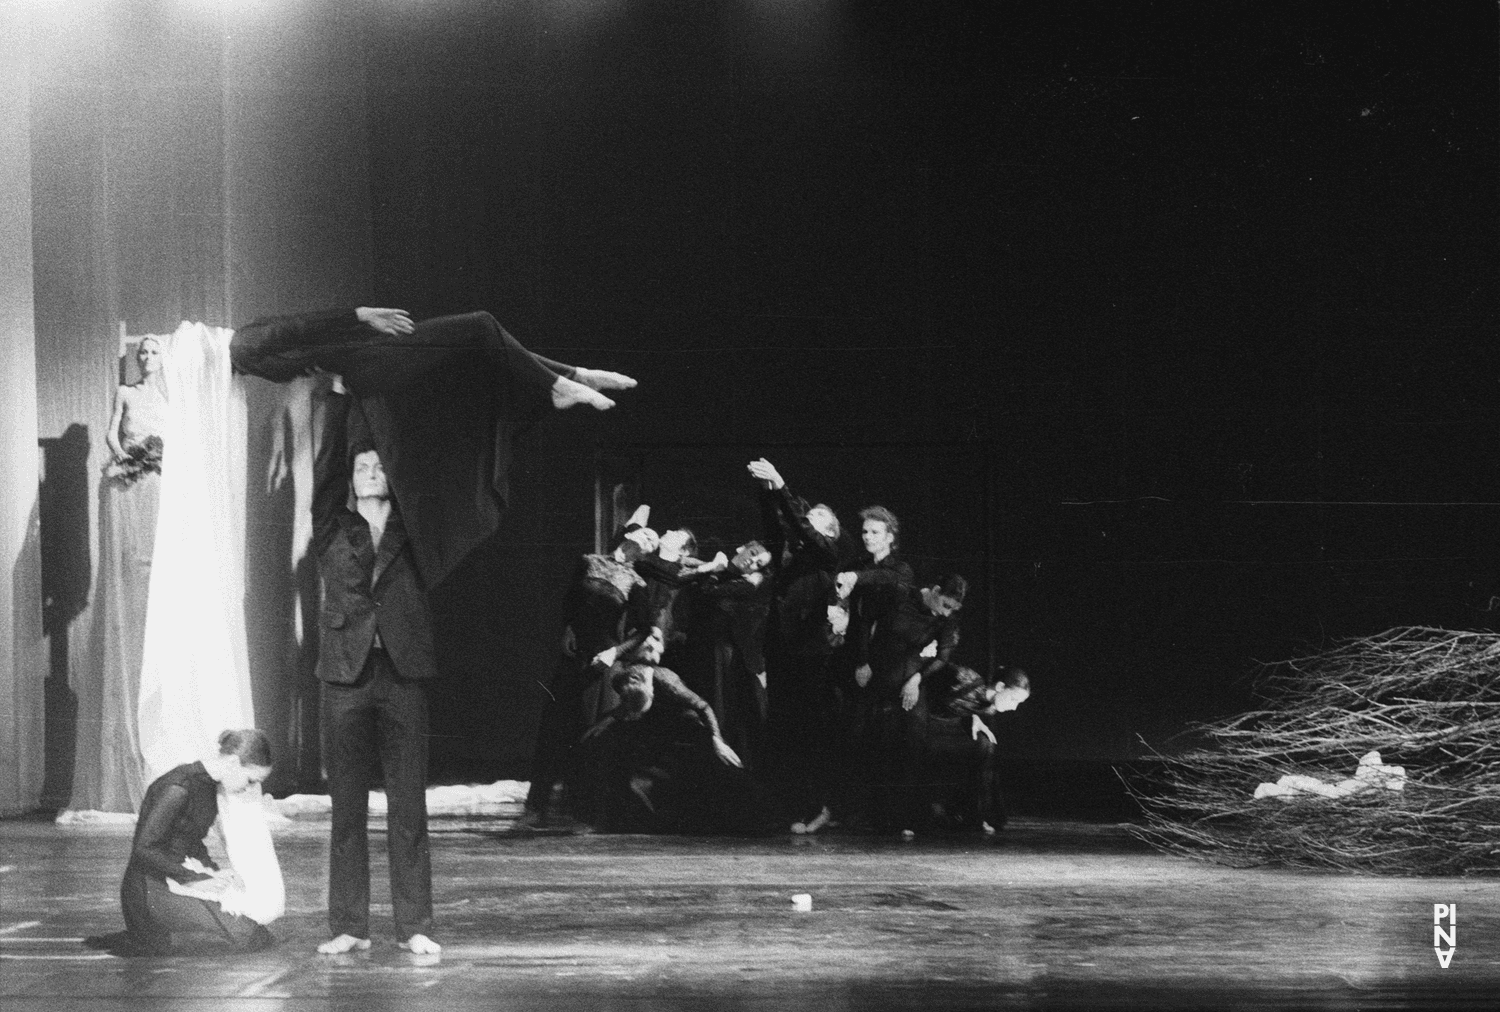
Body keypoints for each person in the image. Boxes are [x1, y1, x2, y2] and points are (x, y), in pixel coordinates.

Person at [231, 306, 635, 589]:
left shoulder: (248, 346)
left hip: (365, 357)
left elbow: (296, 330)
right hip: (364, 366)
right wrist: (359, 315)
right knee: (479, 326)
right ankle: (558, 384)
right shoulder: (240, 348)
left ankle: (566, 377)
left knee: (475, 347)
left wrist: (359, 321)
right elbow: (288, 332)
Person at [310, 388, 444, 956]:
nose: (369, 471)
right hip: (344, 674)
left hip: (403, 673)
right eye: (360, 466)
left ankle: (413, 924)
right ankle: (349, 925)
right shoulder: (332, 525)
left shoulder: (417, 530)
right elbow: (323, 470)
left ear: (392, 474)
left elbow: (423, 470)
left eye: (377, 464)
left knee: (408, 805)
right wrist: (340, 403)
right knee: (347, 808)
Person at [85, 729, 278, 957]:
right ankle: (151, 933)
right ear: (234, 762)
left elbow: (192, 841)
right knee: (245, 939)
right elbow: (144, 850)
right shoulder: (177, 787)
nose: (249, 788)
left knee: (255, 935)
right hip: (149, 889)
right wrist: (194, 879)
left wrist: (213, 873)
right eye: (250, 780)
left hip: (175, 879)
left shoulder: (208, 788)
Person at [521, 526, 657, 828]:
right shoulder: (589, 561)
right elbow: (569, 599)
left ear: (648, 552)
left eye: (653, 541)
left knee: (587, 730)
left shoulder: (636, 582)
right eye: (646, 533)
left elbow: (645, 629)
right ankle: (536, 807)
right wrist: (568, 627)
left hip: (600, 659)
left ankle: (583, 811)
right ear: (630, 535)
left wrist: (615, 653)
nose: (648, 538)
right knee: (553, 726)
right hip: (574, 652)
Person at [584, 631, 776, 835]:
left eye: (655, 643)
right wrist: (603, 724)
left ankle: (763, 817)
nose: (651, 648)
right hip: (666, 735)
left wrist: (717, 740)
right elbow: (624, 709)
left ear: (651, 690)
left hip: (690, 731)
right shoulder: (623, 679)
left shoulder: (664, 679)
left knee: (721, 778)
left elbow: (703, 707)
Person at [745, 458, 845, 833]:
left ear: (829, 532)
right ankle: (788, 807)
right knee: (783, 730)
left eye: (815, 520)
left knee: (807, 732)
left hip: (810, 655)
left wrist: (783, 484)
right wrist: (768, 490)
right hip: (783, 650)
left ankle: (816, 807)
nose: (806, 524)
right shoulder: (793, 556)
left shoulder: (827, 554)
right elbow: (776, 525)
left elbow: (802, 526)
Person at [838, 573, 967, 834]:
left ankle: (905, 816)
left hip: (909, 677)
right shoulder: (901, 594)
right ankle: (862, 812)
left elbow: (942, 656)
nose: (946, 613)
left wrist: (917, 678)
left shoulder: (946, 620)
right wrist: (862, 661)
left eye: (952, 609)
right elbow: (865, 622)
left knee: (913, 738)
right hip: (877, 669)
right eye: (944, 604)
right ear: (935, 588)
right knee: (866, 735)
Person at [910, 665, 1030, 834]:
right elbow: (939, 673)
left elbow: (969, 706)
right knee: (917, 746)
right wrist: (914, 681)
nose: (1014, 707)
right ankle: (912, 817)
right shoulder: (967, 679)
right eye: (1013, 699)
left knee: (985, 745)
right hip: (924, 716)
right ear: (1000, 687)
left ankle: (976, 815)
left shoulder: (990, 707)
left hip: (947, 724)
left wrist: (974, 717)